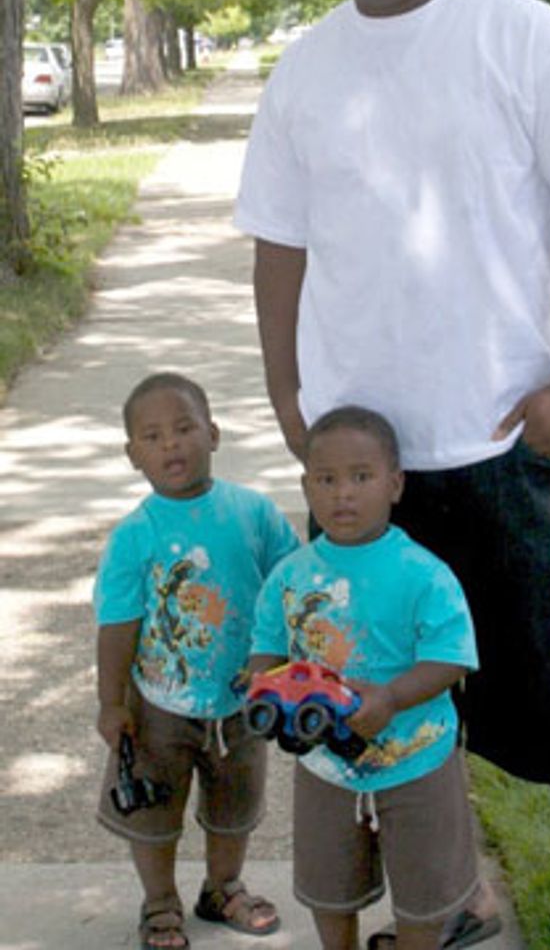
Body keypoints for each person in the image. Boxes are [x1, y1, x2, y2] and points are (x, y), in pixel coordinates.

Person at [233, 0, 550, 950]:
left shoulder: (520, 35)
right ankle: (457, 892)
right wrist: (288, 393)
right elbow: (276, 245)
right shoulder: (306, 68)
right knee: (390, 688)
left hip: (499, 434)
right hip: (364, 467)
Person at [249, 404, 486, 950]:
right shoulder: (291, 576)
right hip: (324, 765)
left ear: (395, 484)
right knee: (328, 885)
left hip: (417, 759)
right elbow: (265, 645)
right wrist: (262, 685)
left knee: (424, 893)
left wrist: (393, 696)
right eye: (326, 480)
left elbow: (451, 656)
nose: (343, 494)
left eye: (361, 477)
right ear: (306, 488)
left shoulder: (423, 573)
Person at [94, 372, 300, 950]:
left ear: (213, 433)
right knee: (154, 814)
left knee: (235, 805)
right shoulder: (135, 536)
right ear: (133, 455)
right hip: (158, 705)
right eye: (153, 436)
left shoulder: (255, 513)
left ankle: (223, 887)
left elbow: (291, 586)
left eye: (184, 428)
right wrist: (112, 702)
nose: (171, 444)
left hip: (242, 701)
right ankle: (160, 903)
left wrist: (280, 668)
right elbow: (117, 626)